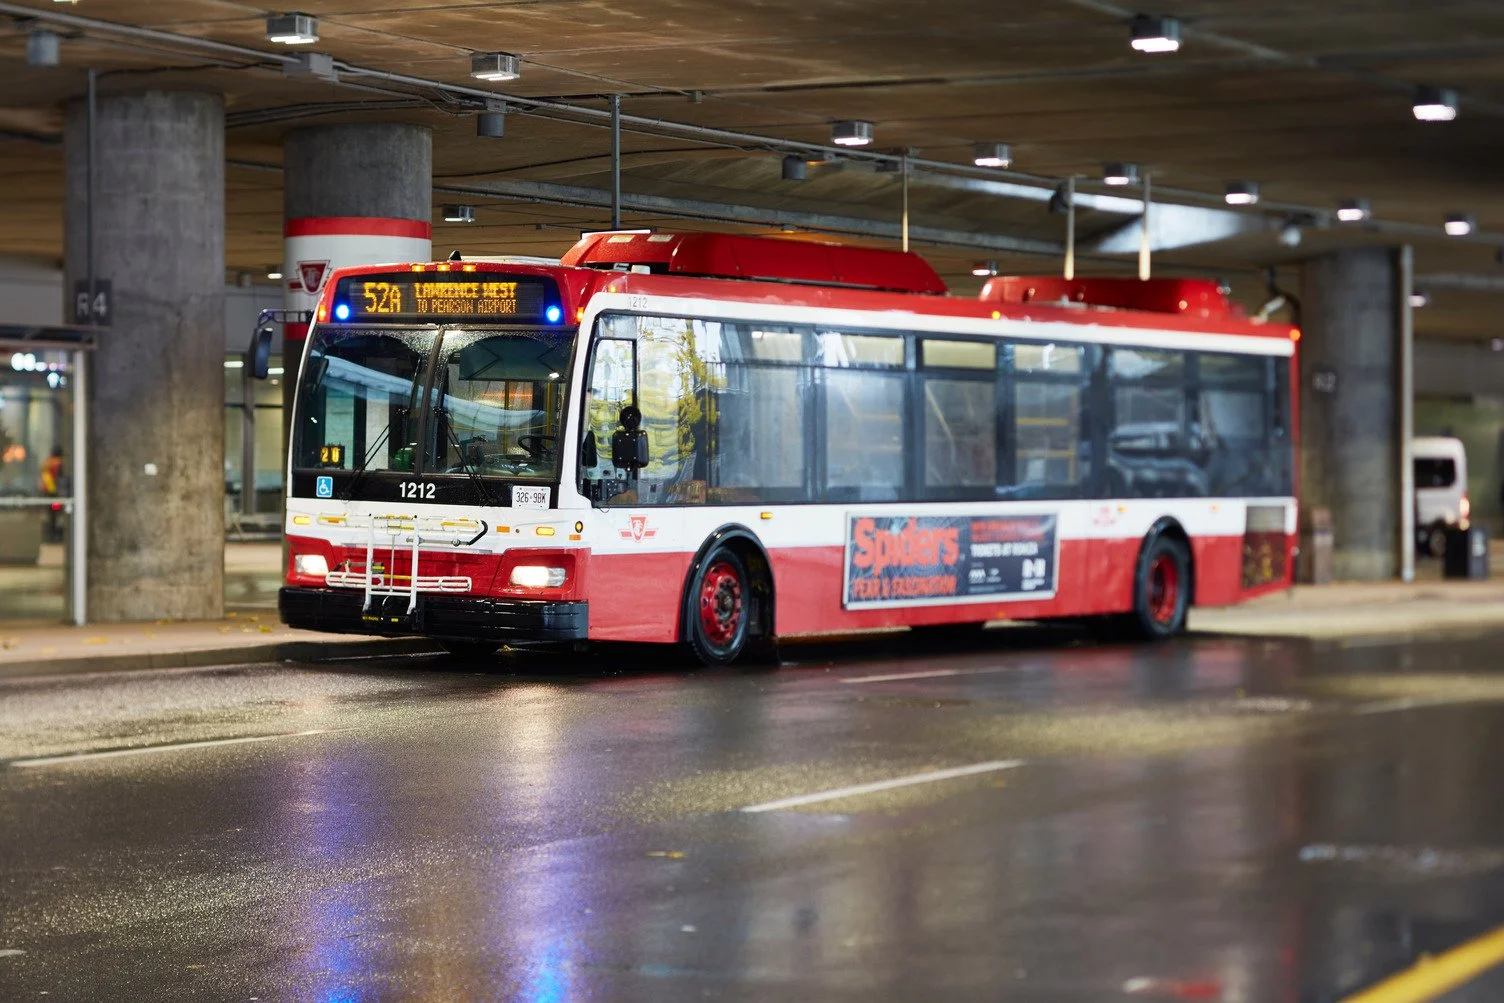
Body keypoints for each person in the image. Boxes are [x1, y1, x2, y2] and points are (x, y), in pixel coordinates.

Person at [39, 447, 63, 543]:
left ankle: (51, 533)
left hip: (47, 492)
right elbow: (58, 477)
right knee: (55, 514)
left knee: (51, 514)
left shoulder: (47, 462)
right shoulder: (57, 463)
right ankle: (54, 533)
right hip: (54, 493)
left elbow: (44, 476)